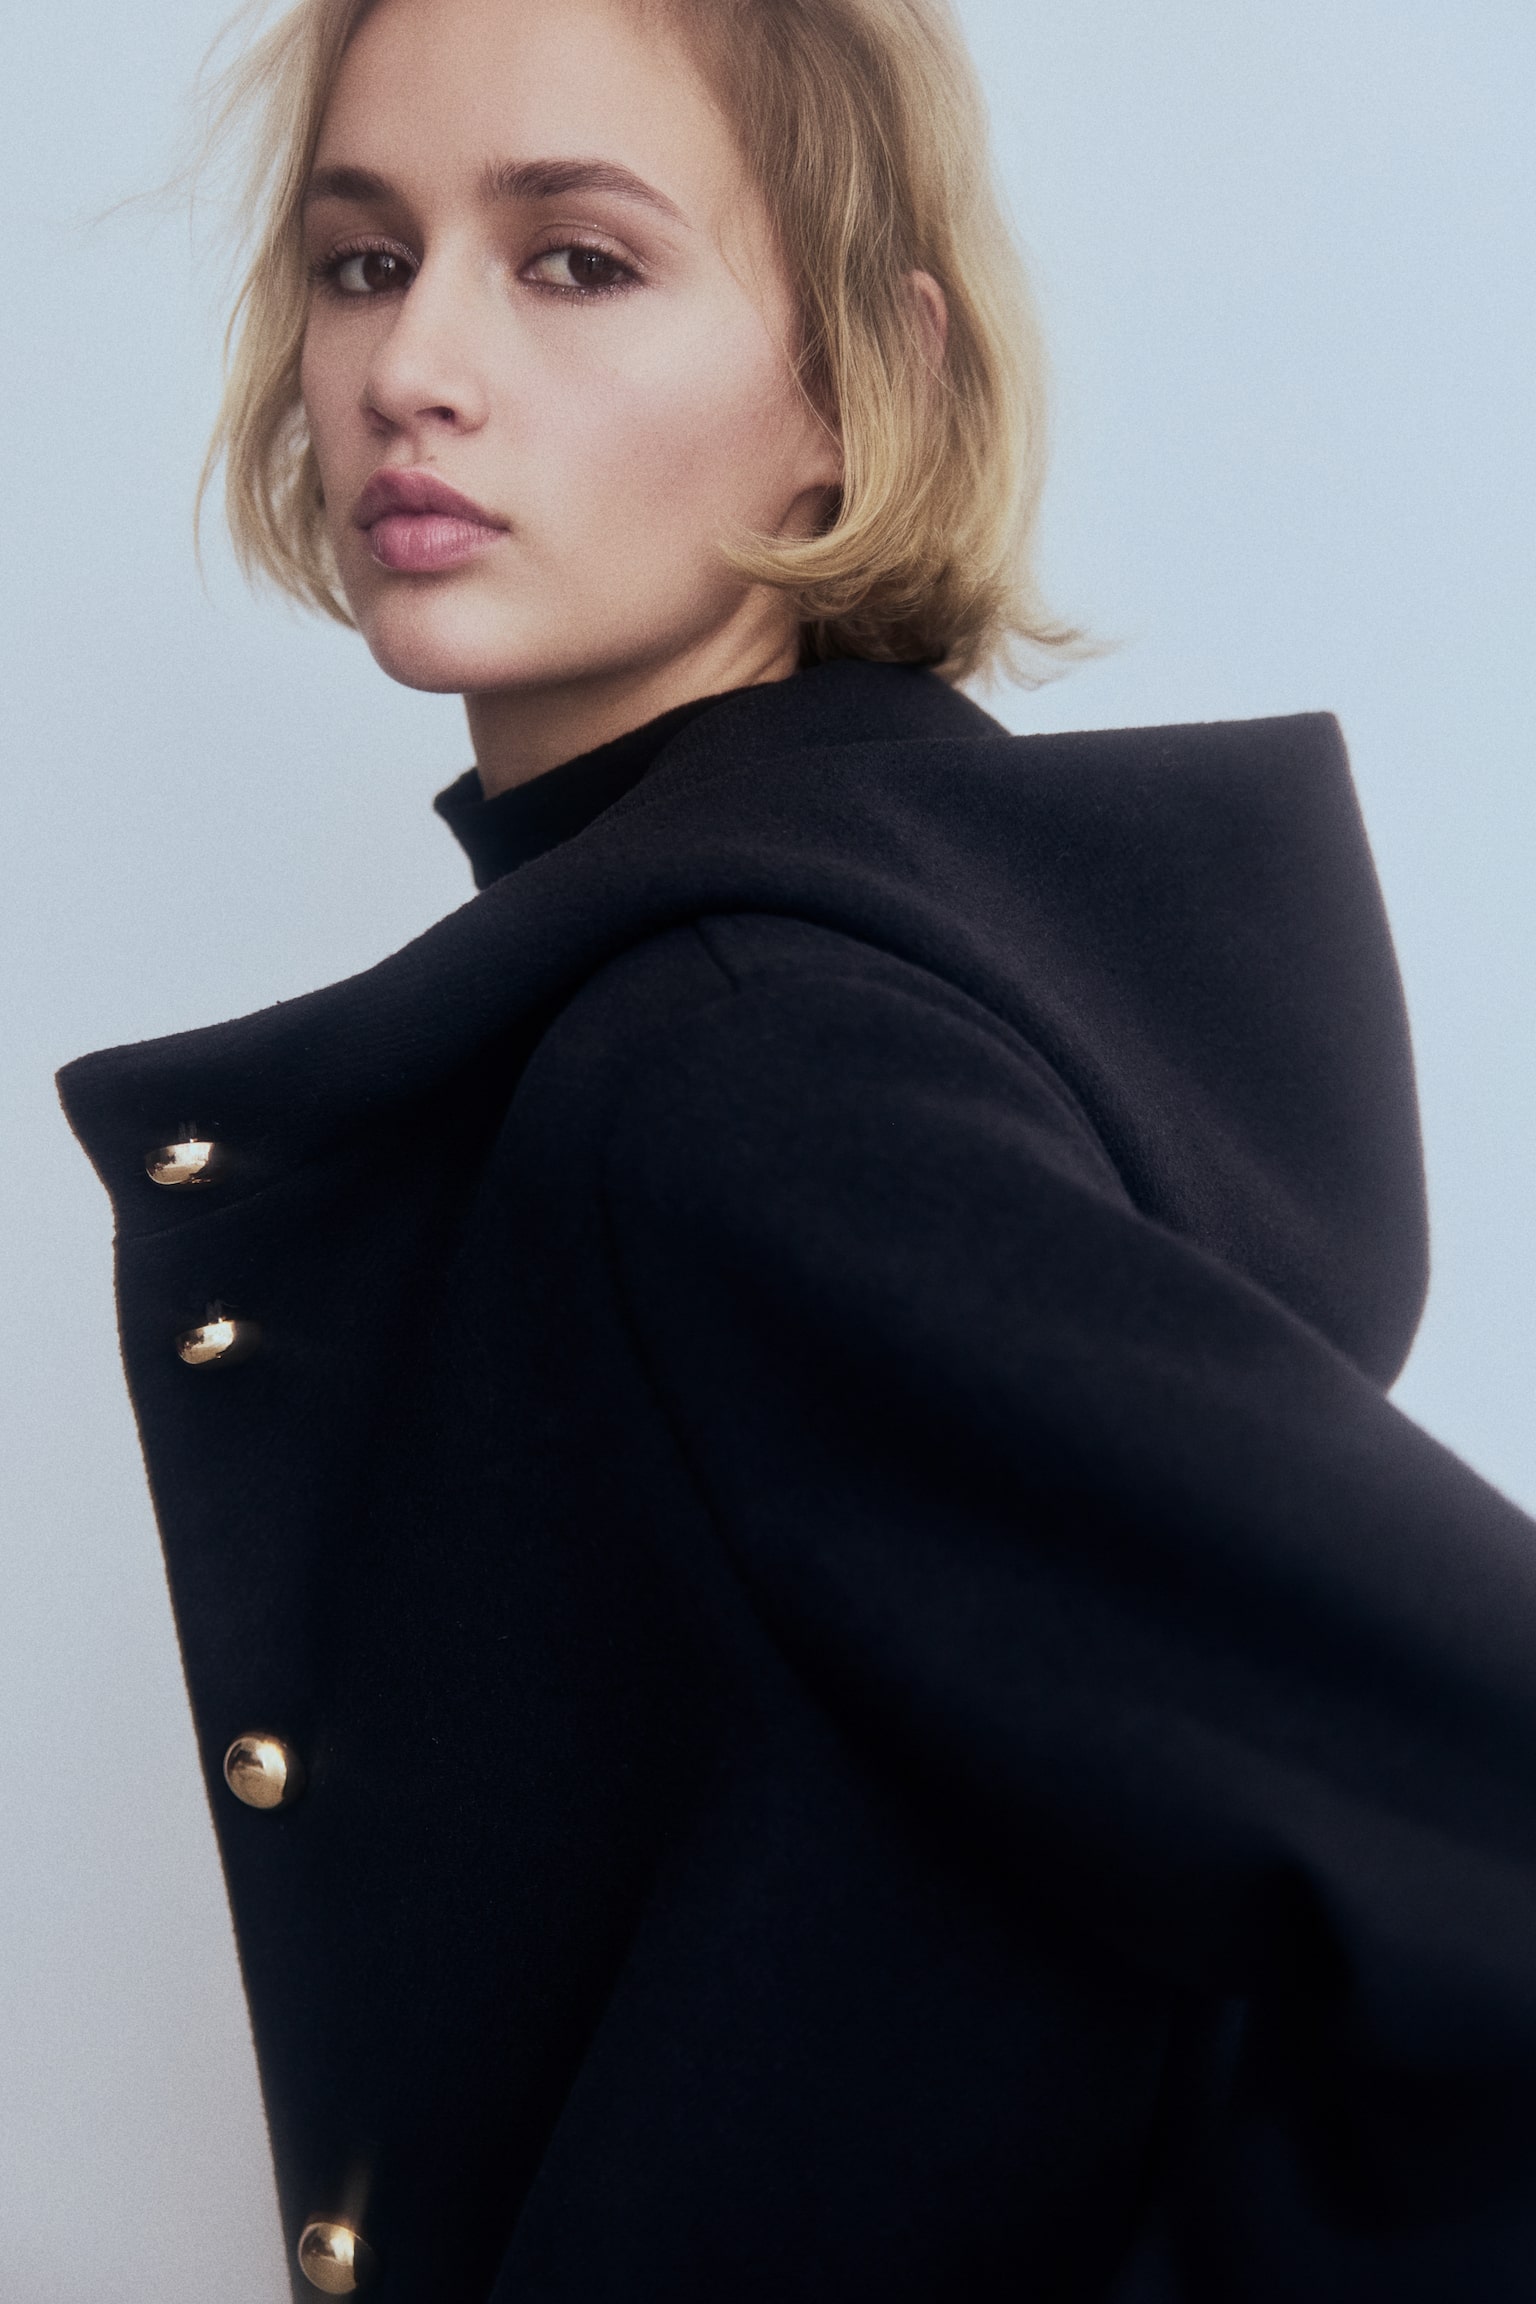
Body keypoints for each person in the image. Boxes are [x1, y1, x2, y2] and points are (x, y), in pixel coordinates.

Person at [56, 0, 1536, 2296]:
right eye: (363, 260)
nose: (411, 368)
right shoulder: (879, 968)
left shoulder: (736, 1071)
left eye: (576, 260)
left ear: (867, 381)